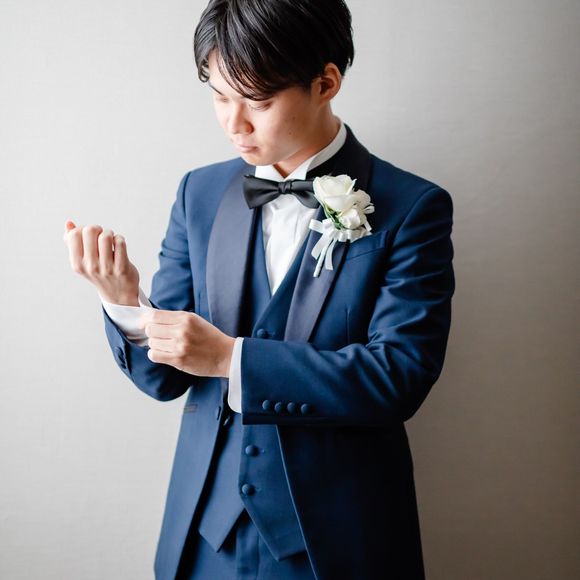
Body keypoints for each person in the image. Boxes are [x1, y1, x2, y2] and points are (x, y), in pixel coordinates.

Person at [63, 0, 455, 578]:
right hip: (204, 539)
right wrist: (124, 302)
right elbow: (163, 380)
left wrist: (232, 358)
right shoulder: (198, 193)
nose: (234, 124)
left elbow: (398, 377)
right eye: (221, 97)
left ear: (326, 83)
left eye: (259, 102)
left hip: (336, 541)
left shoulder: (412, 206)